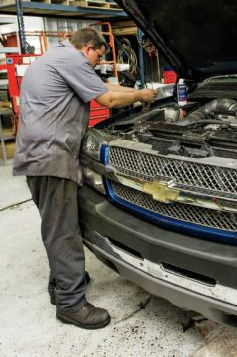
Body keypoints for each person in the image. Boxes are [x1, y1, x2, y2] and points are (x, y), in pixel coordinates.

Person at [13, 28, 157, 329]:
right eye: (98, 57)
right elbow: (108, 100)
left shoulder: (55, 57)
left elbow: (102, 85)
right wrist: (141, 95)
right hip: (51, 157)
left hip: (35, 155)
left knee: (56, 224)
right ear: (88, 48)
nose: (96, 63)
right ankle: (71, 303)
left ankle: (62, 282)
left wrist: (134, 90)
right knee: (63, 229)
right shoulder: (72, 60)